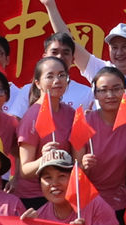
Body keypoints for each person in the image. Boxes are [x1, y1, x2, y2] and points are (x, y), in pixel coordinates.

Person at [41, 0, 126, 106]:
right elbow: (68, 42)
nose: (119, 52)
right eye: (114, 47)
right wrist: (50, 5)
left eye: (125, 47)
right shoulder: (100, 70)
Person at [15, 56, 81, 208]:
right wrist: (44, 159)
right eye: (50, 76)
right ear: (38, 83)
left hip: (62, 194)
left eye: (62, 75)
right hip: (34, 198)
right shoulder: (32, 116)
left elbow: (76, 159)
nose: (57, 80)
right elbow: (25, 170)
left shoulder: (71, 113)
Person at [75, 65, 126, 218]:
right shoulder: (82, 122)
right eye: (103, 90)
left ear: (125, 91)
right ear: (95, 94)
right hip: (87, 203)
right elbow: (75, 170)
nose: (110, 95)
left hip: (120, 203)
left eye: (117, 89)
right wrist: (83, 165)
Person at [22, 146, 120, 225]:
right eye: (48, 178)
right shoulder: (39, 217)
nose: (55, 183)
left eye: (62, 176)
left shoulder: (96, 206)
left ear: (74, 177)